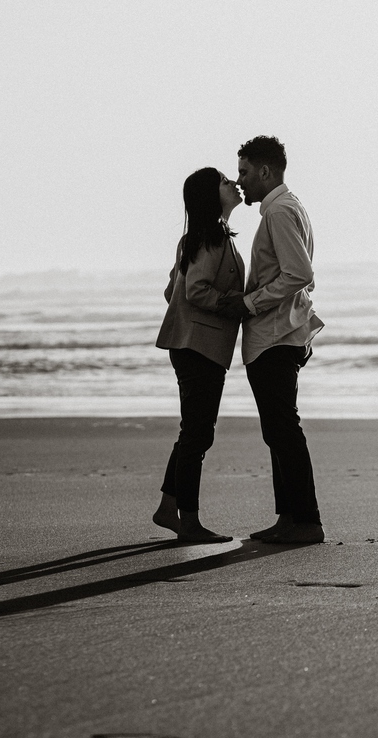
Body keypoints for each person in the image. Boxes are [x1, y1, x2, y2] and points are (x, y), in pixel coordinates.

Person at [225, 136, 325, 544]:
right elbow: (302, 273)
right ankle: (290, 518)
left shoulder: (279, 212)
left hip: (275, 335)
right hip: (283, 332)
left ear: (265, 171)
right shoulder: (288, 207)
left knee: (283, 429)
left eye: (245, 172)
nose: (240, 181)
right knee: (279, 429)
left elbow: (299, 273)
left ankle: (305, 520)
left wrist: (250, 303)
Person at [153, 167, 247, 542]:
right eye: (225, 181)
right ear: (212, 196)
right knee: (197, 435)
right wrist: (236, 305)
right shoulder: (211, 238)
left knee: (193, 432)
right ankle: (188, 521)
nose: (234, 184)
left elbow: (172, 291)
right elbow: (197, 290)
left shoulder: (199, 237)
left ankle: (167, 508)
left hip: (190, 344)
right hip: (199, 347)